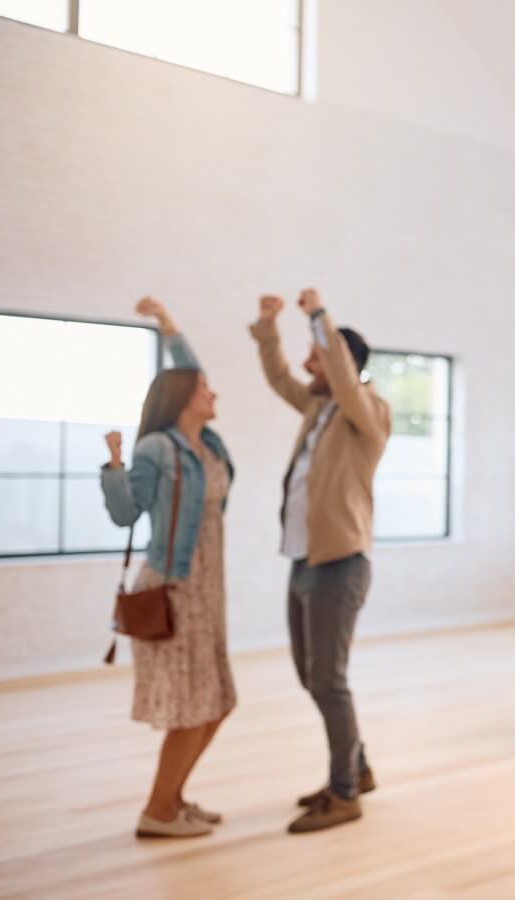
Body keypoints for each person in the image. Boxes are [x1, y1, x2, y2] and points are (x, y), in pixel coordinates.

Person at [249, 288, 391, 834]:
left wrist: (318, 318)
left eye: (316, 356)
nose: (307, 366)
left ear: (340, 364)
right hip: (304, 560)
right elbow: (279, 377)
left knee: (329, 681)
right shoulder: (318, 408)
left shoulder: (367, 413)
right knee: (313, 677)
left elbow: (342, 376)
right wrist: (268, 327)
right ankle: (358, 767)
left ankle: (344, 793)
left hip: (339, 562)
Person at [102, 298, 237, 839]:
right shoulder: (159, 448)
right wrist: (115, 464)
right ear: (183, 398)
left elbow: (189, 371)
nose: (213, 392)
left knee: (218, 702)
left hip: (208, 590)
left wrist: (170, 327)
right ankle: (158, 812)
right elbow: (125, 514)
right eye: (204, 388)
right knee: (193, 707)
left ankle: (174, 800)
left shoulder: (209, 445)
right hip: (175, 587)